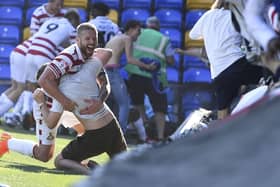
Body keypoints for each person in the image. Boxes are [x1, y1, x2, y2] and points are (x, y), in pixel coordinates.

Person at [37, 23, 127, 174]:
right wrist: (100, 100)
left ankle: (94, 174)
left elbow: (51, 121)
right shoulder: (89, 67)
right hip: (113, 126)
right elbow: (107, 52)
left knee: (60, 161)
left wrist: (41, 102)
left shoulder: (61, 92)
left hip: (96, 135)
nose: (91, 41)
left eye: (93, 39)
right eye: (88, 39)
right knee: (129, 169)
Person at [189, 0, 274, 119]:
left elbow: (192, 35)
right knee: (271, 74)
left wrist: (209, 32)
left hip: (219, 73)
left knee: (222, 113)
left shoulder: (207, 15)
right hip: (238, 65)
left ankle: (222, 136)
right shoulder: (237, 17)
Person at [0, 63, 84, 162]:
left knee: (86, 130)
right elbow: (50, 123)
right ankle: (6, 142)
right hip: (46, 109)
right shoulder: (42, 96)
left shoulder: (68, 82)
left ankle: (79, 160)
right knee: (44, 155)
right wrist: (41, 103)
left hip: (64, 107)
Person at [21, 9, 80, 128]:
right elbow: (75, 48)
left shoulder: (50, 21)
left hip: (30, 51)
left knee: (30, 85)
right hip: (45, 53)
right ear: (73, 20)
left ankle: (25, 110)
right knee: (48, 87)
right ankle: (41, 119)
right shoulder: (70, 27)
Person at [125, 16, 175, 141]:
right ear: (158, 27)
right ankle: (160, 136)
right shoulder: (164, 39)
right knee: (160, 108)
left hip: (135, 73)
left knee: (137, 103)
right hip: (155, 78)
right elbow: (170, 60)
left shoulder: (137, 35)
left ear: (147, 25)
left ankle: (144, 130)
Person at [104, 20, 153, 139]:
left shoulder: (117, 37)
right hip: (112, 72)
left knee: (108, 105)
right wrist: (147, 66)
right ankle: (120, 134)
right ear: (132, 28)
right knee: (124, 103)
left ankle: (105, 131)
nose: (139, 34)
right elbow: (130, 59)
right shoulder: (127, 39)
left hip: (103, 71)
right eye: (138, 31)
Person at [0, 38, 33, 118]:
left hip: (17, 50)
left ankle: (17, 112)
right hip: (26, 54)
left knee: (14, 87)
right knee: (21, 88)